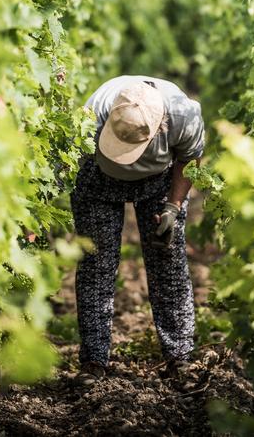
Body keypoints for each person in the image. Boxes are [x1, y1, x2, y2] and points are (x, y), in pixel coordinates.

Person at [70, 75, 205, 383]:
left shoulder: (183, 114)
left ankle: (179, 358)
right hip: (98, 178)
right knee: (96, 263)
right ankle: (94, 360)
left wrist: (172, 207)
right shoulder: (93, 114)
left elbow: (190, 159)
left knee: (168, 262)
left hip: (159, 181)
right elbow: (69, 164)